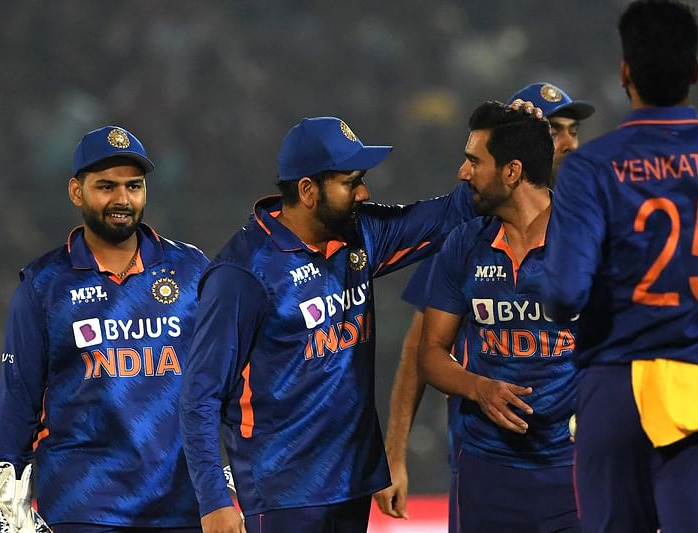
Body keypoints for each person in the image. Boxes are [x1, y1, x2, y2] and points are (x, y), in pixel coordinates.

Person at [178, 108, 546, 533]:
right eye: (350, 183)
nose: (365, 192)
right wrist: (213, 501)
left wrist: (516, 133)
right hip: (283, 495)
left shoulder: (361, 235)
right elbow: (199, 396)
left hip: (352, 485)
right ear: (308, 190)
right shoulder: (242, 275)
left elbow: (453, 213)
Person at [542, 1, 698, 531]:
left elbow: (563, 293)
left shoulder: (591, 168)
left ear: (625, 72)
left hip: (612, 392)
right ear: (695, 71)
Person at [375, 83, 594, 529]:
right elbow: (426, 350)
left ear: (512, 170)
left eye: (572, 131)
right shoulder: (463, 240)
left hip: (575, 469)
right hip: (484, 469)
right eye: (556, 131)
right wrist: (477, 390)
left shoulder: (593, 236)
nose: (569, 143)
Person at [0, 126, 208, 532]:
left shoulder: (192, 270)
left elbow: (229, 380)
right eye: (106, 186)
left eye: (134, 186)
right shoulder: (44, 286)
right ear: (76, 192)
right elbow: (18, 405)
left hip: (182, 505)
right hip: (84, 509)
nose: (122, 200)